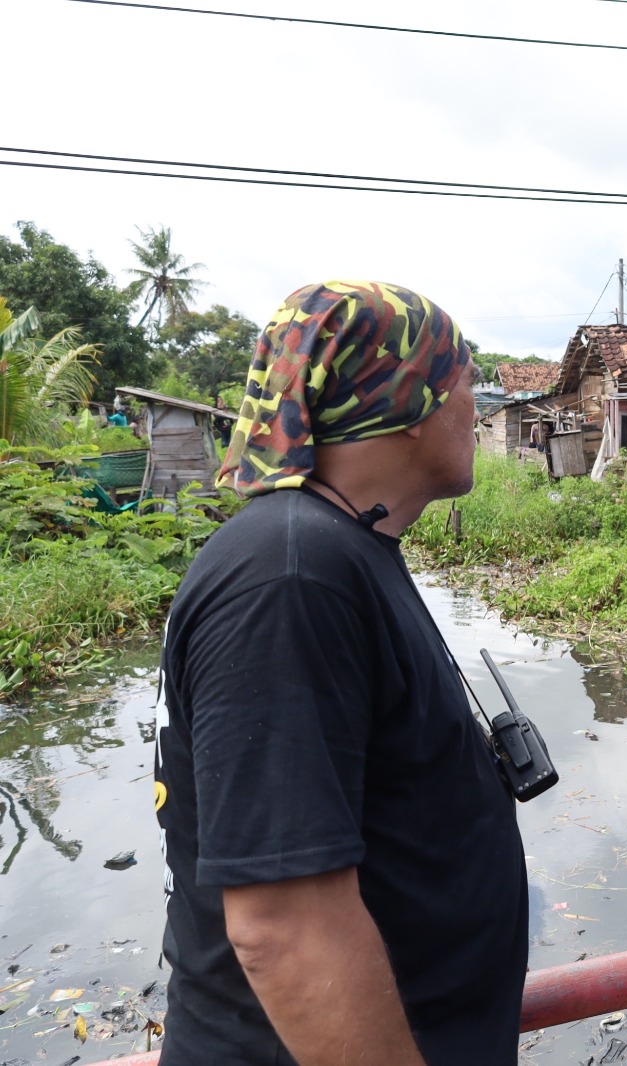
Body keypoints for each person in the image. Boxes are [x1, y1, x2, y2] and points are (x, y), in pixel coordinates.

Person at [153, 281, 528, 1065]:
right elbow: (282, 928)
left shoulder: (338, 549)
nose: (475, 408)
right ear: (409, 399)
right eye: (466, 381)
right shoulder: (289, 575)